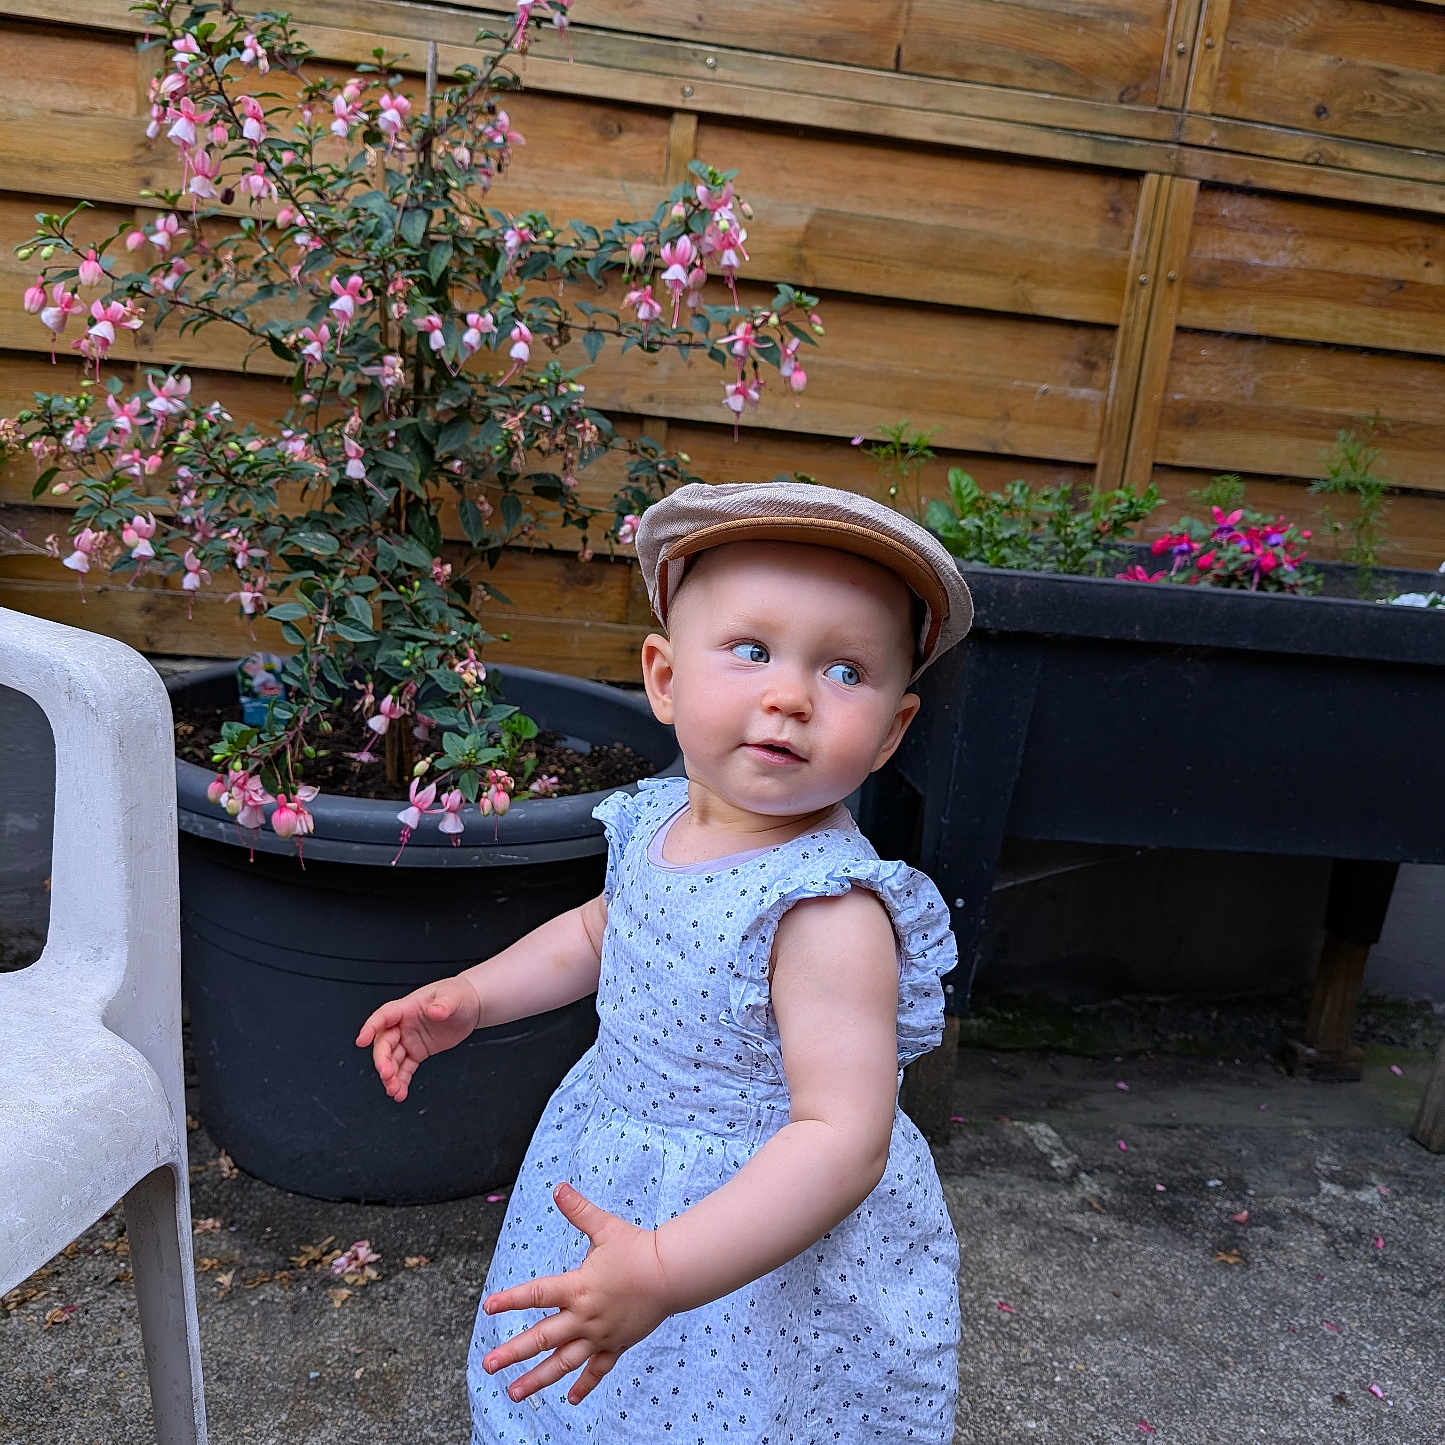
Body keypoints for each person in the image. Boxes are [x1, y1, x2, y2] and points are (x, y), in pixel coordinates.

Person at [355, 479, 975, 1441]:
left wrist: (664, 1268)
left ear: (895, 728)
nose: (789, 695)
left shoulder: (827, 912)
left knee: (739, 1405)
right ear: (664, 677)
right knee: (618, 1404)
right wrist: (477, 996)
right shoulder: (656, 821)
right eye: (751, 649)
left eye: (846, 671)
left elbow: (840, 1138)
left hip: (752, 1233)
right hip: (620, 1168)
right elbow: (604, 933)